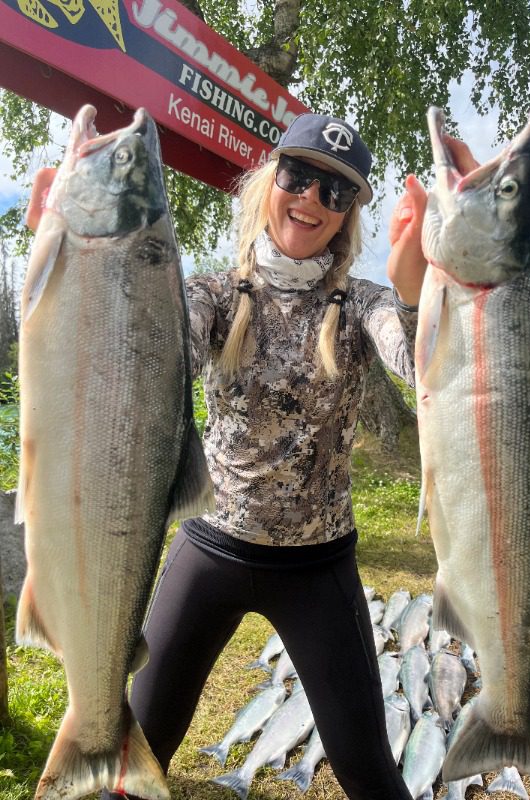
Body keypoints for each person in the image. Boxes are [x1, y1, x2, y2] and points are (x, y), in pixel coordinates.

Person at [101, 112, 428, 800]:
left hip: (318, 570)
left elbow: (426, 370)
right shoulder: (212, 295)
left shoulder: (363, 303)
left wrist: (415, 293)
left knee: (369, 771)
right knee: (133, 753)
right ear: (270, 180)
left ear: (347, 218)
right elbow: (155, 367)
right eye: (299, 175)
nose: (310, 199)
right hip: (208, 554)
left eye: (335, 193)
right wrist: (81, 257)